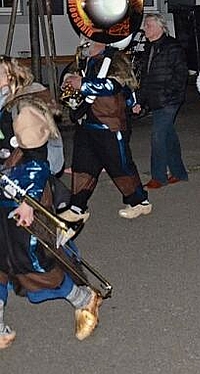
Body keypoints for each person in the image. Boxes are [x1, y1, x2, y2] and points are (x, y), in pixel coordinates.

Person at [0, 100, 102, 348]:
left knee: (35, 268)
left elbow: (38, 171)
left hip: (23, 218)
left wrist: (28, 202)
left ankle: (82, 298)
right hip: (4, 214)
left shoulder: (32, 147)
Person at [59, 40, 150, 222]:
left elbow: (114, 86)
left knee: (120, 166)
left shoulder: (115, 59)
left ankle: (140, 202)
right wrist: (68, 82)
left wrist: (83, 84)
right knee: (83, 167)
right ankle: (77, 207)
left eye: (89, 39)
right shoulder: (83, 61)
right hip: (86, 125)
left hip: (109, 125)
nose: (84, 42)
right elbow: (72, 81)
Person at [135, 13, 189, 189]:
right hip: (155, 98)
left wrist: (169, 94)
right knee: (168, 136)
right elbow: (146, 78)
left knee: (157, 136)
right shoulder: (148, 48)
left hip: (169, 100)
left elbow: (181, 75)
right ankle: (179, 173)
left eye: (148, 25)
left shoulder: (172, 47)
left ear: (160, 27)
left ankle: (158, 177)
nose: (144, 29)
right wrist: (140, 101)